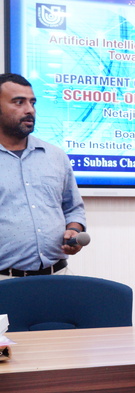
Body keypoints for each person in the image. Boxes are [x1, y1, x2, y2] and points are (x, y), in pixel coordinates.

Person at [0, 73, 86, 279]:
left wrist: (74, 230)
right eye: (19, 102)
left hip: (57, 274)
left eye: (32, 102)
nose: (30, 110)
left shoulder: (55, 156)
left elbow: (73, 209)